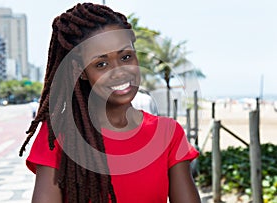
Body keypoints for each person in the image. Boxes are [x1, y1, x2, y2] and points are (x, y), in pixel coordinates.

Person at [19, 3, 201, 203]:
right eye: (101, 64)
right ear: (81, 71)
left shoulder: (168, 133)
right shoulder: (58, 135)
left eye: (126, 57)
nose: (119, 71)